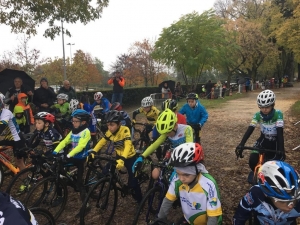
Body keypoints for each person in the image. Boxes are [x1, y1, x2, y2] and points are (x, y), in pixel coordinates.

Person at [151, 142, 222, 225]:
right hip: (189, 219)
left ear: (197, 169)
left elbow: (213, 216)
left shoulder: (209, 184)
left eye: (186, 174)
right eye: (178, 173)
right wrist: (159, 219)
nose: (181, 178)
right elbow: (167, 201)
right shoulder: (177, 180)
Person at [90, 110, 142, 203]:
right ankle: (112, 181)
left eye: (112, 125)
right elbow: (102, 142)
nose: (109, 127)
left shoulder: (125, 129)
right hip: (119, 156)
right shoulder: (109, 132)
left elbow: (128, 145)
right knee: (105, 171)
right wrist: (94, 151)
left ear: (119, 124)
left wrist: (123, 159)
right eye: (108, 125)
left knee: (133, 181)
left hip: (129, 157)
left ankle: (140, 200)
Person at [233, 160, 300, 224]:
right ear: (266, 194)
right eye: (283, 201)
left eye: (295, 200)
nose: (291, 206)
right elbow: (239, 217)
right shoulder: (255, 194)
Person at [52, 109, 91, 215]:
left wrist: (68, 155)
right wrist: (55, 151)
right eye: (73, 121)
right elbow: (65, 141)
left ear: (83, 122)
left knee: (79, 185)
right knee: (58, 171)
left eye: (75, 121)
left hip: (81, 159)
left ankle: (86, 205)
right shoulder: (74, 130)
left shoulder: (86, 132)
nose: (73, 123)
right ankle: (60, 195)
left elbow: (81, 146)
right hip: (73, 157)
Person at [235, 90, 285, 172]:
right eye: (261, 107)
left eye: (267, 107)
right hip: (263, 140)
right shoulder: (257, 115)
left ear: (273, 105)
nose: (264, 109)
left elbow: (280, 133)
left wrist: (281, 148)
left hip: (275, 142)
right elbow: (250, 129)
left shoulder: (278, 114)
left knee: (275, 167)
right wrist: (242, 144)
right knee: (253, 161)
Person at [132, 109, 193, 173]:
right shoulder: (167, 133)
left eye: (168, 132)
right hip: (174, 156)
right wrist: (142, 156)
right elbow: (155, 144)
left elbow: (189, 149)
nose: (167, 135)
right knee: (155, 175)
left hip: (186, 157)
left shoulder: (187, 129)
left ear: (175, 126)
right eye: (165, 133)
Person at [0, 93, 27, 171]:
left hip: (17, 139)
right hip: (8, 138)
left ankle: (26, 181)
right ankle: (6, 165)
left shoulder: (6, 113)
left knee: (19, 162)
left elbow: (1, 127)